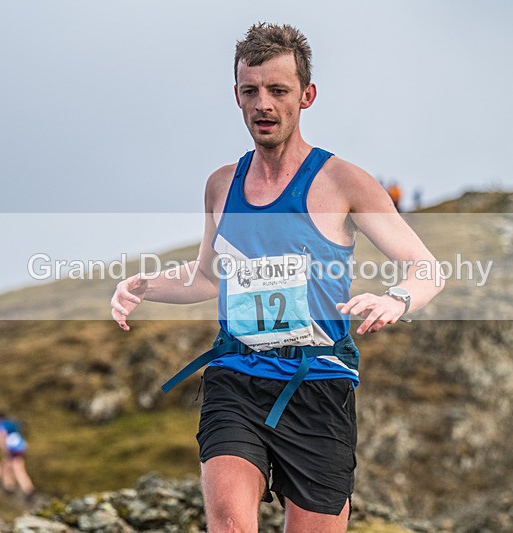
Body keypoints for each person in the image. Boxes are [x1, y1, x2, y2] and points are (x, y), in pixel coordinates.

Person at [111, 22, 443, 532]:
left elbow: (427, 269)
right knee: (229, 522)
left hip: (320, 385)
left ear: (306, 96)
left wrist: (396, 298)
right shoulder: (222, 186)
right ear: (237, 96)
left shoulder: (343, 182)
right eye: (251, 91)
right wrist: (145, 285)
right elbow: (206, 278)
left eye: (278, 91)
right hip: (236, 378)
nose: (263, 104)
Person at [0, 411, 35, 499]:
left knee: (16, 468)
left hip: (12, 449)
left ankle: (26, 489)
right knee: (10, 467)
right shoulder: (13, 423)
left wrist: (3, 450)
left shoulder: (0, 425)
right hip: (21, 446)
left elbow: (1, 437)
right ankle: (11, 487)